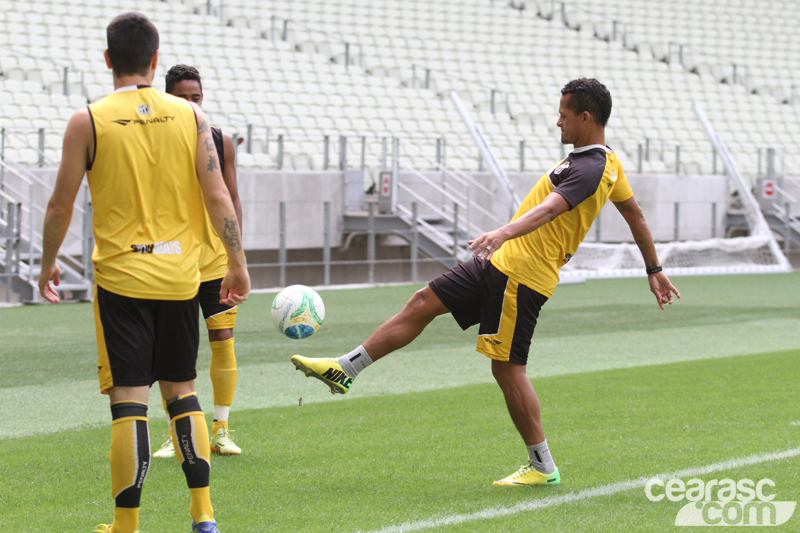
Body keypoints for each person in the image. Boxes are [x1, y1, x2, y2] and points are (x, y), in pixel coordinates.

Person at [291, 78, 680, 486]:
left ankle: (543, 466)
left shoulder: (591, 167)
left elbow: (549, 210)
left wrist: (503, 232)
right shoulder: (605, 160)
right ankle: (346, 369)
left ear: (586, 117)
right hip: (500, 263)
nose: (557, 122)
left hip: (522, 275)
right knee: (423, 301)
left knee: (508, 370)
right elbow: (634, 214)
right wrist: (654, 270)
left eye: (563, 115)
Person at [37, 12, 249, 533]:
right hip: (180, 276)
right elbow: (217, 192)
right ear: (156, 60)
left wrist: (46, 266)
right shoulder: (193, 118)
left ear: (108, 59)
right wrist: (238, 261)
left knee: (129, 399)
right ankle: (203, 514)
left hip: (121, 280)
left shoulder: (87, 119)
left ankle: (125, 525)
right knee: (183, 390)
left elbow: (59, 206)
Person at [149, 64, 243, 459]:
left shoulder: (221, 143)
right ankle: (178, 431)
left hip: (215, 260)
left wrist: (236, 255)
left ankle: (220, 428)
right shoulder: (151, 138)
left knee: (222, 338)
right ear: (167, 97)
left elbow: (232, 198)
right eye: (182, 97)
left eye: (196, 97)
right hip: (172, 261)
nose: (191, 104)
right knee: (175, 348)